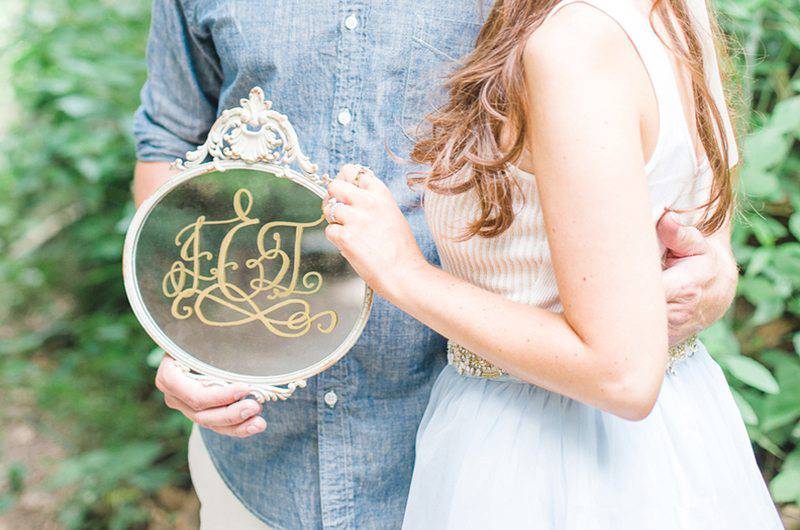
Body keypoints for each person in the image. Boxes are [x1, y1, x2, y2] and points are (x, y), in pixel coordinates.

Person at [132, 1, 741, 528]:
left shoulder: (564, 30)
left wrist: (714, 267)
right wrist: (187, 334)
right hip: (265, 451)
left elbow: (663, 142)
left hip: (480, 453)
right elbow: (171, 143)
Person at [320, 0, 782, 528]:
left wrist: (404, 273)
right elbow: (704, 223)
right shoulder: (678, 11)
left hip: (545, 458)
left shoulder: (572, 46)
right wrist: (716, 266)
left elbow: (622, 375)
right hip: (674, 436)